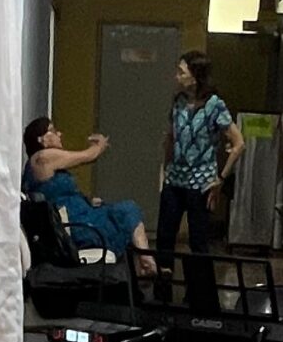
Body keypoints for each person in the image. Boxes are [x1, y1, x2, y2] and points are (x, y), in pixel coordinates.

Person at [21, 119, 155, 272]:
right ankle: (147, 262)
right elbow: (87, 156)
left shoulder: (43, 161)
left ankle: (145, 264)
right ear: (41, 139)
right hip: (77, 226)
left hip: (82, 216)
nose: (59, 134)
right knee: (127, 210)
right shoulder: (42, 158)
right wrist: (99, 145)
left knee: (122, 212)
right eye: (53, 130)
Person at [157, 52, 243, 265]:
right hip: (175, 178)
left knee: (198, 241)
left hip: (201, 181)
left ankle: (199, 284)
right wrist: (163, 173)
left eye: (182, 72)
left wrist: (220, 178)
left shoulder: (214, 105)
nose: (177, 77)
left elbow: (238, 143)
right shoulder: (178, 102)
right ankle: (163, 278)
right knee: (165, 237)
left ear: (195, 76)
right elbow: (170, 138)